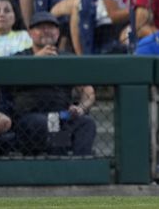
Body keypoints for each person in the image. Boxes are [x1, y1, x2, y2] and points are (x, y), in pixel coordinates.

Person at [11, 12, 96, 156]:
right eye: (40, 27)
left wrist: (81, 108)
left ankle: (82, 167)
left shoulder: (67, 59)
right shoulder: (20, 57)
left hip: (63, 115)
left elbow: (88, 91)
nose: (46, 31)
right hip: (31, 117)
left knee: (87, 123)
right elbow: (9, 81)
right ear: (30, 33)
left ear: (58, 33)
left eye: (51, 27)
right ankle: (58, 165)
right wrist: (36, 59)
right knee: (50, 123)